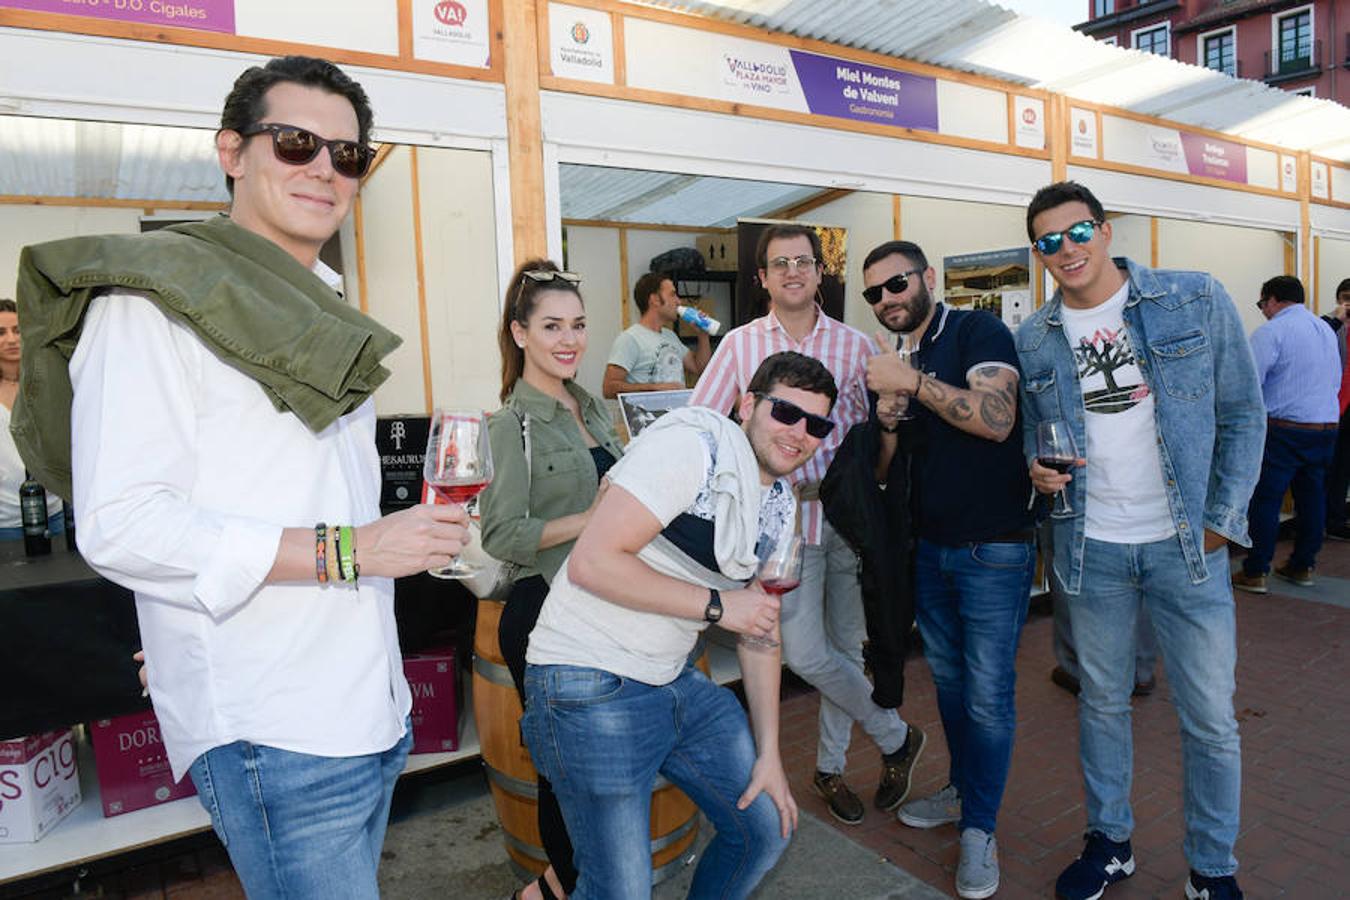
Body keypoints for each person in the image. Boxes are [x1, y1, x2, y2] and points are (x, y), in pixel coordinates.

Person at [12, 56, 469, 898]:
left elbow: (251, 502)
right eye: (296, 143)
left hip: (365, 705)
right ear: (232, 151)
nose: (324, 169)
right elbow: (120, 522)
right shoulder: (151, 305)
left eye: (346, 155)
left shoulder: (323, 308)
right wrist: (352, 550)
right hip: (279, 728)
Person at [1016, 181, 1263, 900]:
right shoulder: (1036, 337)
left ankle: (1212, 869)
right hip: (1091, 548)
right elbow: (1037, 444)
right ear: (1039, 254)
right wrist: (1035, 469)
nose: (1067, 249)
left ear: (1107, 230)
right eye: (1049, 241)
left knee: (1211, 719)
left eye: (1079, 230)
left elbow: (1245, 413)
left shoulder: (1192, 297)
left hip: (1187, 548)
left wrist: (1222, 521)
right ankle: (1111, 841)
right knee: (1100, 704)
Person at [522, 350, 828, 899]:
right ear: (748, 405)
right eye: (786, 413)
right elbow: (594, 562)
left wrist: (771, 755)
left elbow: (760, 628)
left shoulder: (780, 502)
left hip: (669, 678)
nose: (800, 433)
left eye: (818, 424)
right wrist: (717, 605)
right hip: (587, 678)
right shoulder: (693, 447)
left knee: (764, 827)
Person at [690, 224, 921, 828]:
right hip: (781, 522)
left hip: (848, 516)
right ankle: (895, 734)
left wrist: (896, 408)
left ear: (821, 273)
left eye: (804, 261)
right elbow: (701, 425)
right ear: (762, 278)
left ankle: (830, 767)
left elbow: (881, 426)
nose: (793, 271)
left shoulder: (855, 345)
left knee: (846, 648)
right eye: (779, 264)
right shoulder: (739, 346)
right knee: (805, 651)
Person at [861, 240, 1034, 900]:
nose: (887, 300)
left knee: (989, 697)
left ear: (926, 278)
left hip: (993, 548)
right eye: (875, 294)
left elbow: (996, 419)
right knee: (954, 688)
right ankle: (964, 791)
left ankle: (980, 830)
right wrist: (887, 423)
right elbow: (882, 473)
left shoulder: (975, 330)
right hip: (928, 552)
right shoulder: (901, 360)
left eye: (896, 284)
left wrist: (913, 386)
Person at [478, 259, 624, 900]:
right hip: (545, 613)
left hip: (603, 603)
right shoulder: (511, 426)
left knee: (595, 768)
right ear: (519, 334)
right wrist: (591, 518)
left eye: (580, 326)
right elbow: (501, 534)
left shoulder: (592, 405)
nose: (570, 340)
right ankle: (554, 887)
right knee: (563, 772)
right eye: (553, 326)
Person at [1232, 275, 1340, 592]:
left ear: (1273, 299)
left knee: (1266, 499)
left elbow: (1249, 383)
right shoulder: (1325, 329)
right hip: (1325, 427)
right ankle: (1302, 566)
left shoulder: (1272, 331)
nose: (1263, 311)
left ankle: (1255, 570)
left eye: (1262, 304)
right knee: (1312, 498)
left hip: (1284, 430)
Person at [0, 298, 64, 542]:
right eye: (1, 332)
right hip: (6, 522)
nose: (11, 339)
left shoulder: (48, 380)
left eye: (17, 330)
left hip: (56, 510)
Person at [602, 271, 711, 397]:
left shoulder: (670, 336)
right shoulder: (630, 338)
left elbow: (699, 368)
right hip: (649, 417)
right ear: (655, 300)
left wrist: (703, 336)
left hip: (676, 415)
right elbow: (609, 388)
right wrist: (655, 389)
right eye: (673, 295)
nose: (679, 301)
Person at [1323, 278, 1350, 540]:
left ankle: (1337, 517)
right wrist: (1338, 320)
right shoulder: (1327, 324)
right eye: (1344, 297)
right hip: (1331, 404)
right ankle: (1324, 517)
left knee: (1344, 467)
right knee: (1328, 465)